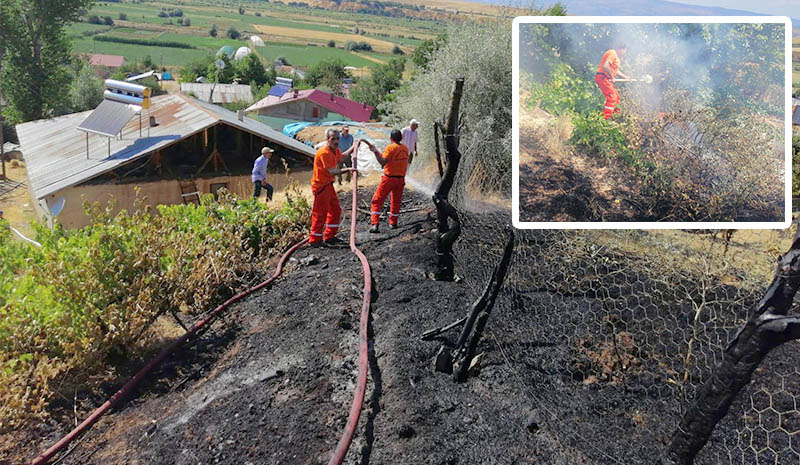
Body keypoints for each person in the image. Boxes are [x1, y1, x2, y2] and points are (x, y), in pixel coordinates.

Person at [309, 128, 359, 247]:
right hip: (321, 186)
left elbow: (343, 157)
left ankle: (329, 236)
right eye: (333, 139)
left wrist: (354, 146)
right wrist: (348, 169)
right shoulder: (324, 152)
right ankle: (314, 240)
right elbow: (332, 171)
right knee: (320, 213)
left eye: (338, 139)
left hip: (328, 185)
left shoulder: (335, 150)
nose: (336, 141)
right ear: (327, 139)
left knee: (335, 210)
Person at [363, 129, 410, 233]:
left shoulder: (390, 147)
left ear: (391, 138)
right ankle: (393, 223)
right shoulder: (405, 149)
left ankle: (375, 224)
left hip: (389, 179)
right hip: (400, 179)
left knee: (377, 200)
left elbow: (382, 162)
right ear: (401, 138)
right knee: (396, 201)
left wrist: (375, 152)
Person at [594, 43, 631, 120]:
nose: (624, 53)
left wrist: (626, 77)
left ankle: (615, 117)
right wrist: (612, 76)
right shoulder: (612, 53)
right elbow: (605, 65)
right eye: (624, 51)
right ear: (621, 49)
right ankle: (605, 119)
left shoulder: (616, 57)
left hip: (605, 79)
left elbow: (616, 70)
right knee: (612, 97)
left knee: (617, 97)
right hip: (602, 77)